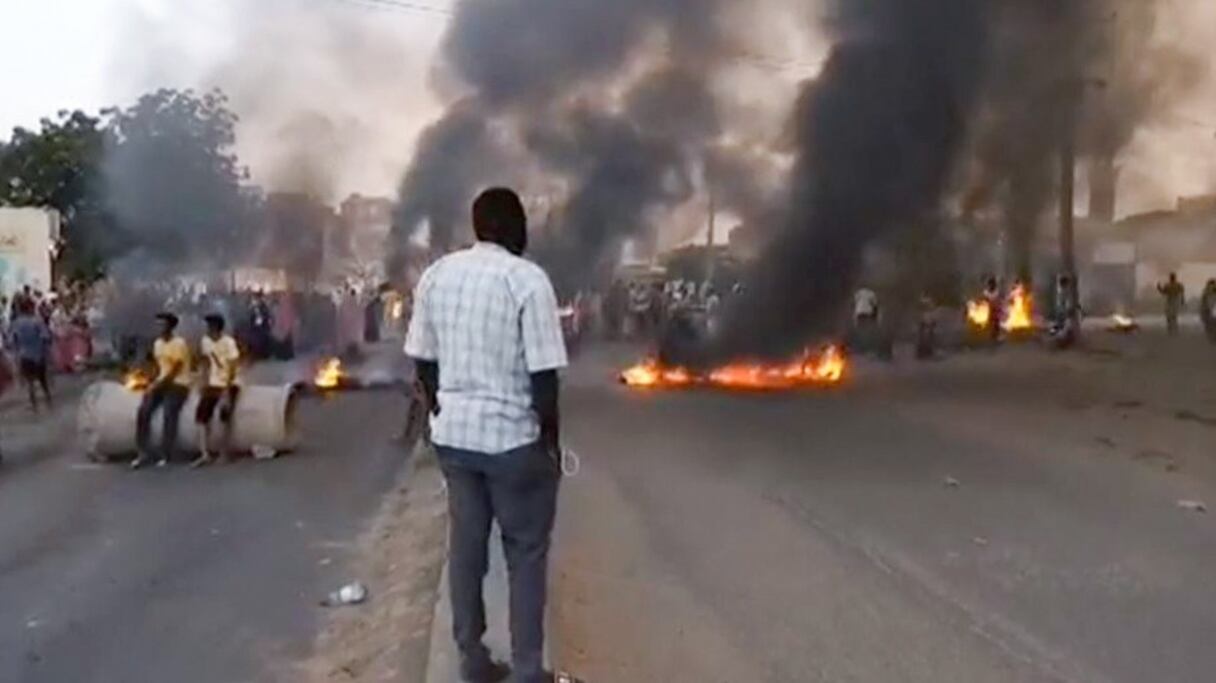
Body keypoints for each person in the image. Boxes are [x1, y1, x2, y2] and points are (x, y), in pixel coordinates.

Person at [406, 187, 568, 683]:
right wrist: (550, 439)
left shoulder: (436, 275)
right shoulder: (526, 280)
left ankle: (471, 661)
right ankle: (525, 671)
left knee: (467, 549)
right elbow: (544, 375)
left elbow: (423, 359)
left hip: (454, 438)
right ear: (513, 226)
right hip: (512, 440)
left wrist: (438, 407)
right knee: (525, 555)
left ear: (478, 225)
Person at [132, 313, 192, 469]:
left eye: (162, 324)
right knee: (143, 410)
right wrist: (150, 382)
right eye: (157, 324)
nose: (159, 327)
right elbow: (159, 367)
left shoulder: (179, 343)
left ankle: (166, 452)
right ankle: (143, 451)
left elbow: (175, 370)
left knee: (169, 412)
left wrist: (158, 385)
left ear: (170, 327)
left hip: (179, 384)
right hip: (161, 383)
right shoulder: (157, 344)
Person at [192, 314, 241, 468]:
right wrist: (203, 382)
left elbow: (233, 367)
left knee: (224, 414)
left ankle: (224, 451)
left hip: (229, 382)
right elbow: (206, 363)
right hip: (212, 383)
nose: (207, 329)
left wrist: (226, 390)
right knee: (201, 415)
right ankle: (204, 453)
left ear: (216, 327)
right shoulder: (205, 342)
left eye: (209, 326)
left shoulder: (228, 342)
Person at [8, 299, 53, 412]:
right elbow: (46, 337)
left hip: (24, 355)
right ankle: (48, 400)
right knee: (43, 380)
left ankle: (34, 405)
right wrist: (47, 352)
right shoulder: (37, 321)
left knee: (30, 382)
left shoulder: (16, 323)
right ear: (30, 308)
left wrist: (16, 352)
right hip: (38, 353)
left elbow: (12, 340)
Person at [1157, 272, 1185, 336]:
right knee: (1169, 315)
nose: (1172, 278)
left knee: (1173, 315)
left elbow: (1182, 293)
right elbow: (1163, 292)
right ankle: (1171, 328)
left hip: (1175, 301)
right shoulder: (1168, 285)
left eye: (1172, 277)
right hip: (1170, 301)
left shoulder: (1178, 285)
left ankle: (1174, 329)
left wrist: (1182, 300)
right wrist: (1159, 288)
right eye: (1171, 277)